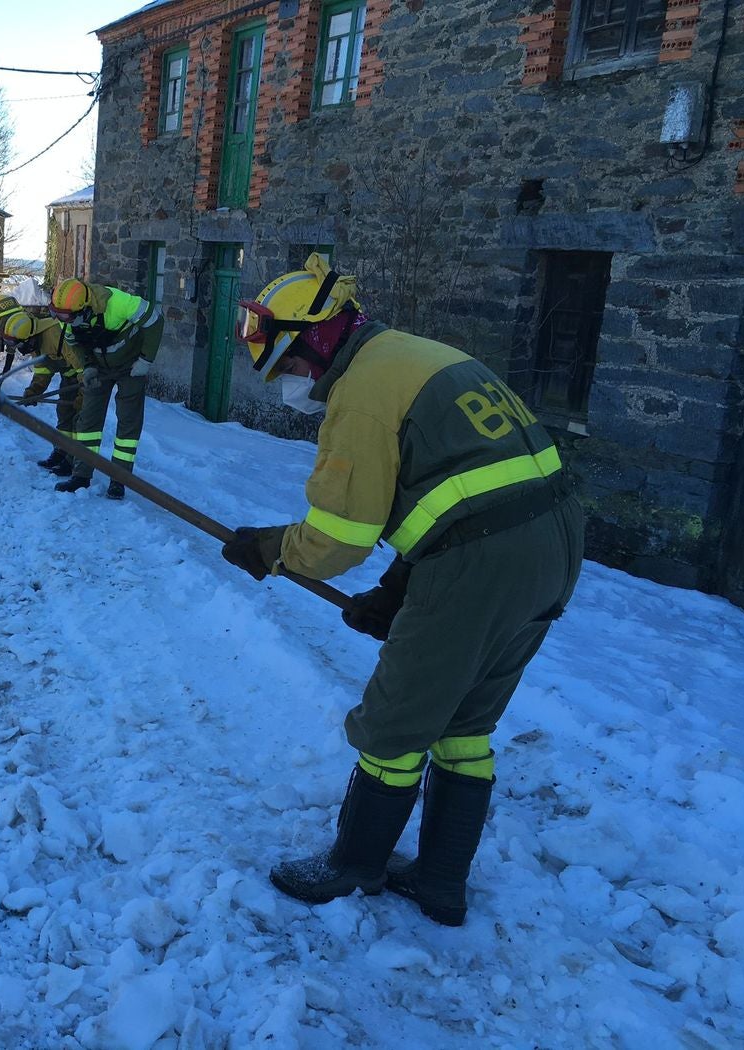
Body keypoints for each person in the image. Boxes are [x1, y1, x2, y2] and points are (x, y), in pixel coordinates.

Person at [221, 253, 583, 927]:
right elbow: (467, 485)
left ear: (317, 340)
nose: (293, 382)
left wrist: (271, 550)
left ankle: (353, 864)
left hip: (481, 563)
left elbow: (339, 537)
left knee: (395, 723)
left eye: (291, 364)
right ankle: (442, 881)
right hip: (552, 544)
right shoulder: (415, 355)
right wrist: (396, 585)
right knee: (464, 723)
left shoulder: (361, 393)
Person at [48, 277, 162, 501]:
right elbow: (74, 343)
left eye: (67, 317)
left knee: (128, 424)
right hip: (99, 366)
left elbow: (155, 320)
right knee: (88, 421)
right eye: (59, 316)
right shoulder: (65, 314)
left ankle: (119, 480)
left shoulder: (118, 303)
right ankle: (81, 475)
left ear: (85, 308)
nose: (64, 321)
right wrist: (88, 367)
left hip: (131, 366)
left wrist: (146, 360)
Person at [0, 310, 82, 476]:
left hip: (85, 377)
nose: (19, 350)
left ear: (29, 338)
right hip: (70, 376)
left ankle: (73, 460)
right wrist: (34, 391)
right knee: (64, 413)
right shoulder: (35, 340)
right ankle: (61, 451)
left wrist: (84, 395)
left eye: (19, 345)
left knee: (79, 419)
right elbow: (43, 369)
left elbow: (83, 367)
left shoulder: (57, 334)